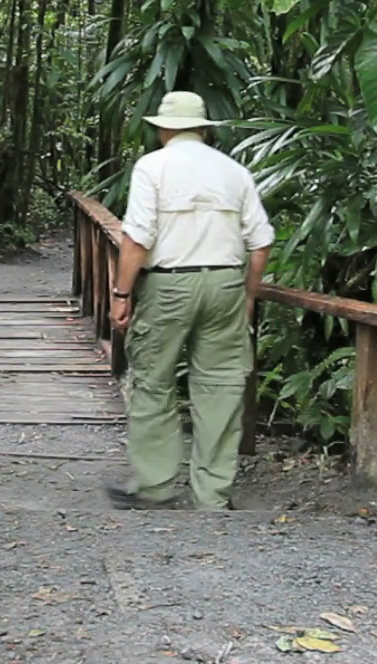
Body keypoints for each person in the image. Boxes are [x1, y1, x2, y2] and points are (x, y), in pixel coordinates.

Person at [107, 90, 273, 511]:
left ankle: (155, 485)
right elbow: (260, 244)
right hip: (225, 284)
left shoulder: (153, 167)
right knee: (221, 386)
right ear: (202, 129)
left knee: (153, 381)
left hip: (169, 285)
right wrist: (248, 297)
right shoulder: (234, 171)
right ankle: (212, 494)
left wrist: (122, 294)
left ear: (164, 129)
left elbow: (137, 239)